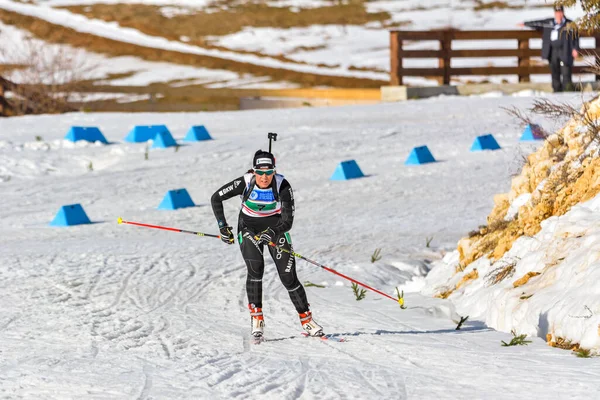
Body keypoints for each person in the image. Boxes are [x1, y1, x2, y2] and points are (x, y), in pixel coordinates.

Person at [210, 149, 324, 339]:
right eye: (260, 172)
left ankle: (307, 320)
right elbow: (216, 198)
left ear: (274, 171)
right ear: (254, 171)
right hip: (248, 228)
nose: (264, 177)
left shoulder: (283, 186)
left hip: (276, 229)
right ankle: (257, 319)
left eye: (269, 172)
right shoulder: (245, 182)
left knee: (288, 276)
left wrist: (272, 232)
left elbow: (288, 222)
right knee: (256, 269)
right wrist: (223, 227)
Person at [520, 5, 580, 92]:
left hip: (565, 51)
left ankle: (567, 91)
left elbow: (576, 37)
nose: (559, 14)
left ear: (563, 12)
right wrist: (525, 23)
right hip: (552, 51)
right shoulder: (549, 22)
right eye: (557, 12)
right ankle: (556, 91)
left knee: (566, 72)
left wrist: (575, 48)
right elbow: (537, 23)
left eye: (560, 12)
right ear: (554, 13)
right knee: (555, 72)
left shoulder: (569, 24)